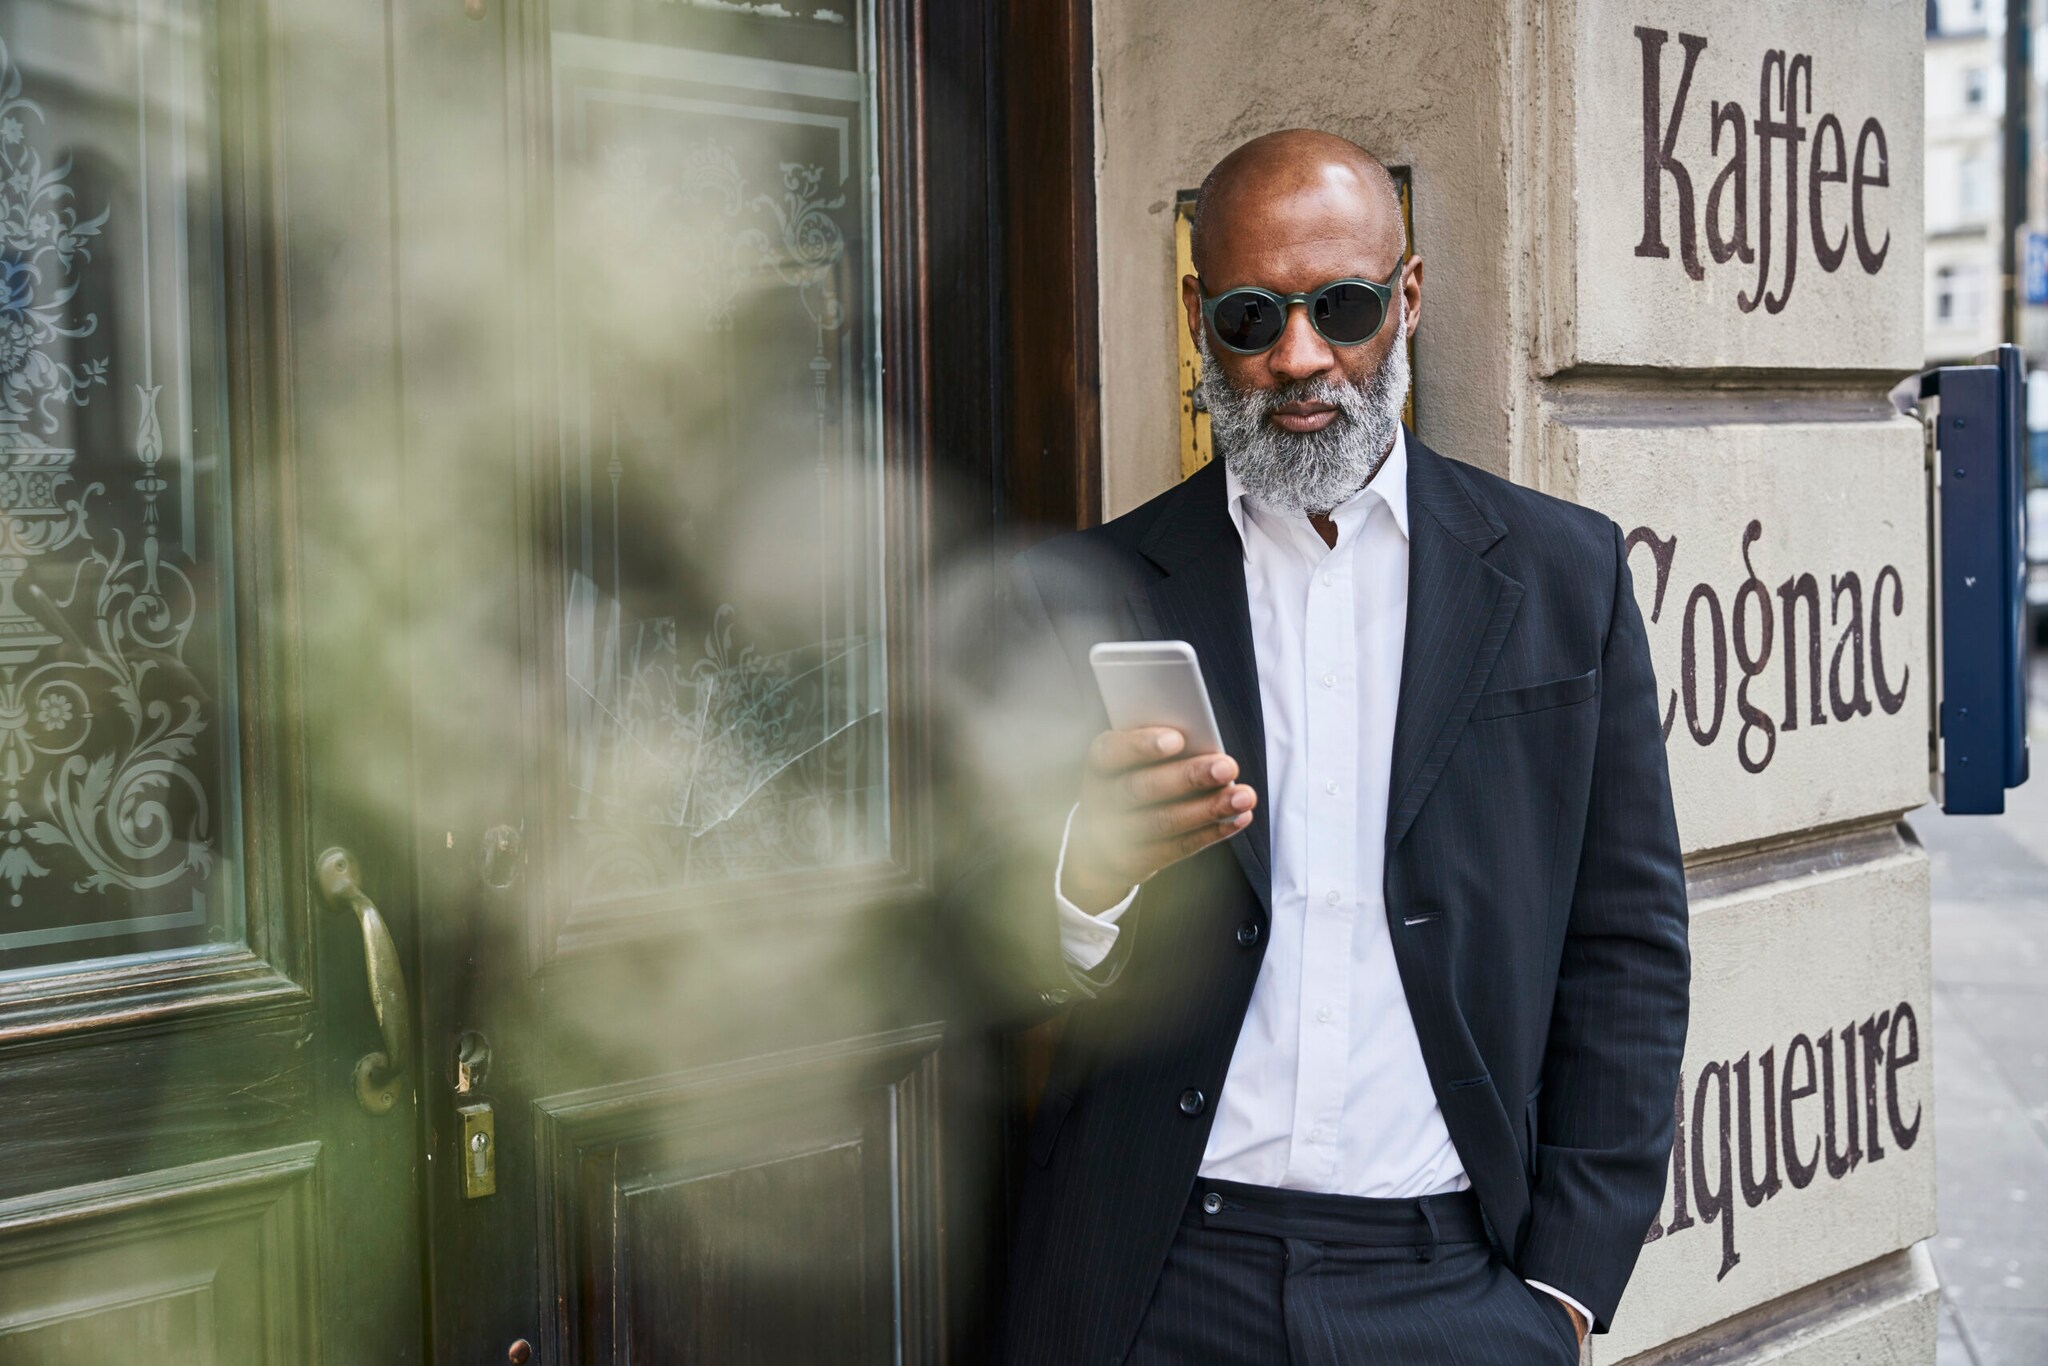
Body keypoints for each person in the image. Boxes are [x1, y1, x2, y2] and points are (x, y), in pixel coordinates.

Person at [988, 129, 1691, 1365]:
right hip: (1155, 1282)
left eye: (1344, 306)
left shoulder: (1560, 575)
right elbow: (972, 953)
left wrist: (1565, 1288)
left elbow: (1625, 942)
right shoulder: (1077, 592)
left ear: (1407, 296)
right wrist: (1081, 879)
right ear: (1201, 316)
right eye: (1253, 318)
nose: (1299, 359)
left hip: (1453, 1287)